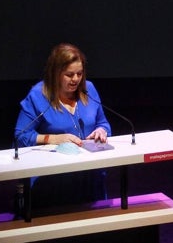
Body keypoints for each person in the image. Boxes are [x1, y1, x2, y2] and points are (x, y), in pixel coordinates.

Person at [14, 43, 111, 207]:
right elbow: (20, 136)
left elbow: (103, 123)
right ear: (56, 73)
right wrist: (53, 139)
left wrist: (102, 131)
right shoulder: (38, 96)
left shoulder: (89, 90)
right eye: (69, 74)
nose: (75, 79)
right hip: (52, 181)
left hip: (89, 177)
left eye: (79, 74)